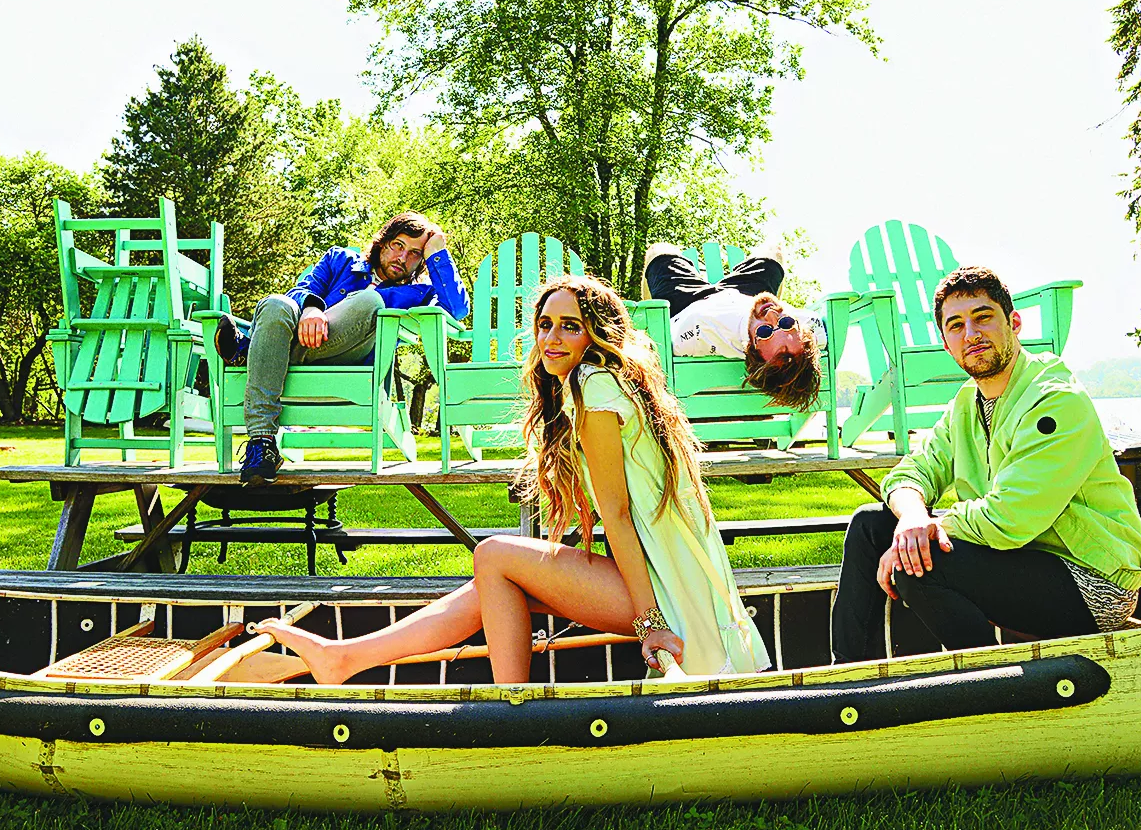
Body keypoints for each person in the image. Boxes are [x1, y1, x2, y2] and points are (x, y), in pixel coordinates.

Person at [255, 275, 770, 683]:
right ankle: (344, 658)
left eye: (570, 326)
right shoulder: (608, 383)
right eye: (545, 324)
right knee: (495, 579)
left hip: (671, 590)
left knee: (494, 555)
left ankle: (510, 710)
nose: (552, 338)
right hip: (670, 573)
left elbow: (617, 513)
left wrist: (651, 623)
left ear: (597, 333)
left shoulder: (594, 384)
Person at [831, 265, 1141, 663]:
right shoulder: (967, 403)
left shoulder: (1055, 398)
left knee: (920, 564)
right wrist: (912, 517)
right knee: (870, 525)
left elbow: (1011, 518)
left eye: (983, 317)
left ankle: (995, 684)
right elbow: (913, 471)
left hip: (1090, 580)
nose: (971, 334)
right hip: (1020, 557)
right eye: (956, 325)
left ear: (1013, 323)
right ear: (947, 344)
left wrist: (926, 531)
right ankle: (847, 675)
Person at [215, 211, 470, 486]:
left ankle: (250, 351)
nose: (402, 258)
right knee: (276, 304)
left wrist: (437, 253)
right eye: (398, 245)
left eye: (415, 254)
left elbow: (456, 309)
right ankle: (262, 444)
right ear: (383, 241)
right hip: (301, 339)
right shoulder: (340, 259)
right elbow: (300, 291)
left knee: (370, 301)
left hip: (349, 360)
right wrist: (312, 308)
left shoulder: (420, 293)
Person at [641, 240, 826, 411]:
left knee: (658, 251)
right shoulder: (810, 329)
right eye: (787, 323)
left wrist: (647, 325)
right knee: (774, 251)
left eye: (765, 332)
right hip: (745, 295)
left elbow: (661, 342)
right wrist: (770, 324)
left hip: (689, 301)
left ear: (749, 348)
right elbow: (815, 330)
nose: (771, 314)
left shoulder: (693, 334)